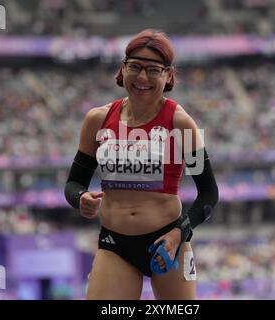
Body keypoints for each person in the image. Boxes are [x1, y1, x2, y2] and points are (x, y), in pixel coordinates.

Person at [65, 29, 219, 300]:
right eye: (135, 67)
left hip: (168, 243)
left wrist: (178, 234)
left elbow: (209, 194)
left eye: (153, 70)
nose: (142, 78)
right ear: (122, 69)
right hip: (114, 245)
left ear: (168, 75)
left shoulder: (180, 124)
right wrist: (81, 198)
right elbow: (74, 183)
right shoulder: (97, 120)